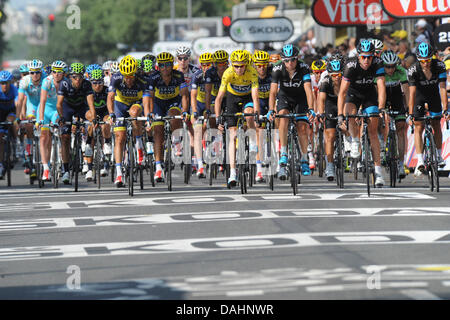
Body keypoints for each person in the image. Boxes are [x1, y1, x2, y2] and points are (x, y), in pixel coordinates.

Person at [337, 39, 386, 187]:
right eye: (363, 57)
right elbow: (342, 92)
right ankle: (355, 140)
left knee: (373, 132)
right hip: (353, 94)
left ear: (373, 56)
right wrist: (340, 114)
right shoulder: (350, 66)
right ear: (358, 56)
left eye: (369, 57)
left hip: (369, 94)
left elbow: (381, 87)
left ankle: (378, 172)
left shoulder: (378, 63)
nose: (366, 60)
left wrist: (381, 108)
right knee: (350, 114)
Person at [267, 44, 315, 179]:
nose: (290, 63)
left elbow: (308, 90)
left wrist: (311, 109)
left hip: (301, 98)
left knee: (302, 127)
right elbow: (272, 92)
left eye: (293, 59)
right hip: (284, 97)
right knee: (282, 117)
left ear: (297, 58)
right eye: (287, 60)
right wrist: (271, 109)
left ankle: (305, 159)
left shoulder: (303, 68)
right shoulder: (277, 69)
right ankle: (283, 152)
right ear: (283, 60)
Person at [214, 50, 260, 187]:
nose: (239, 69)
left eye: (241, 66)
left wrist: (257, 114)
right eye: (236, 66)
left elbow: (255, 96)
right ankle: (233, 172)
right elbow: (218, 99)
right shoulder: (228, 73)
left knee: (249, 113)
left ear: (246, 64)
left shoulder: (252, 72)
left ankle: (252, 140)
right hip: (232, 98)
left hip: (247, 97)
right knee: (232, 135)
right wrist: (218, 118)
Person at [145, 52, 189, 183]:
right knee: (158, 132)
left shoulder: (178, 76)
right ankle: (158, 166)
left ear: (172, 65)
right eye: (162, 65)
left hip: (173, 103)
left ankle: (175, 140)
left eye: (168, 65)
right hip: (158, 104)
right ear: (158, 66)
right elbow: (149, 97)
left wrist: (185, 111)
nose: (165, 68)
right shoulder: (153, 77)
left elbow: (185, 95)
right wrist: (149, 114)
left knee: (174, 116)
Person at [108, 55, 150, 187]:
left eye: (131, 76)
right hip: (120, 104)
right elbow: (110, 98)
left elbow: (146, 100)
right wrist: (111, 114)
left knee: (134, 113)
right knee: (120, 137)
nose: (129, 79)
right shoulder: (116, 78)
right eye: (126, 76)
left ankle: (138, 143)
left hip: (136, 103)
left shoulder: (142, 79)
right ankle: (119, 173)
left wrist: (148, 116)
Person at [407, 42, 448, 176]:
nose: (426, 63)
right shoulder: (413, 70)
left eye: (428, 60)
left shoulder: (439, 66)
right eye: (423, 61)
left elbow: (442, 88)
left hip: (434, 96)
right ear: (419, 60)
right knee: (419, 127)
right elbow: (412, 94)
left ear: (432, 58)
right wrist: (411, 113)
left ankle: (438, 154)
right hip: (419, 96)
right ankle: (420, 160)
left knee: (436, 123)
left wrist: (446, 109)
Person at [57, 62, 97, 184]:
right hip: (67, 108)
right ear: (70, 77)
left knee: (91, 118)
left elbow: (91, 104)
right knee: (65, 138)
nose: (78, 80)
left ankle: (89, 144)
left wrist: (94, 119)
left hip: (81, 107)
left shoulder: (86, 84)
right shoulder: (64, 84)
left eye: (80, 76)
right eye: (75, 77)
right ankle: (65, 170)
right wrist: (62, 117)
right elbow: (59, 104)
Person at [380, 50, 409, 178]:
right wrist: (380, 108)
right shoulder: (379, 72)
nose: (390, 69)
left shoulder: (401, 71)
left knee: (401, 127)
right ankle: (382, 148)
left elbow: (407, 92)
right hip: (383, 96)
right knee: (384, 120)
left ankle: (401, 164)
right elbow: (377, 93)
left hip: (397, 97)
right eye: (387, 66)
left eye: (393, 66)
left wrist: (409, 108)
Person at [0, 71, 19, 179]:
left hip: (11, 111)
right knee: (1, 140)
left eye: (6, 83)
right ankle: (1, 164)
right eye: (2, 83)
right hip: (0, 112)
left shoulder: (14, 89)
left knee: (12, 121)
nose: (4, 85)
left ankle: (17, 143)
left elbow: (17, 102)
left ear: (10, 82)